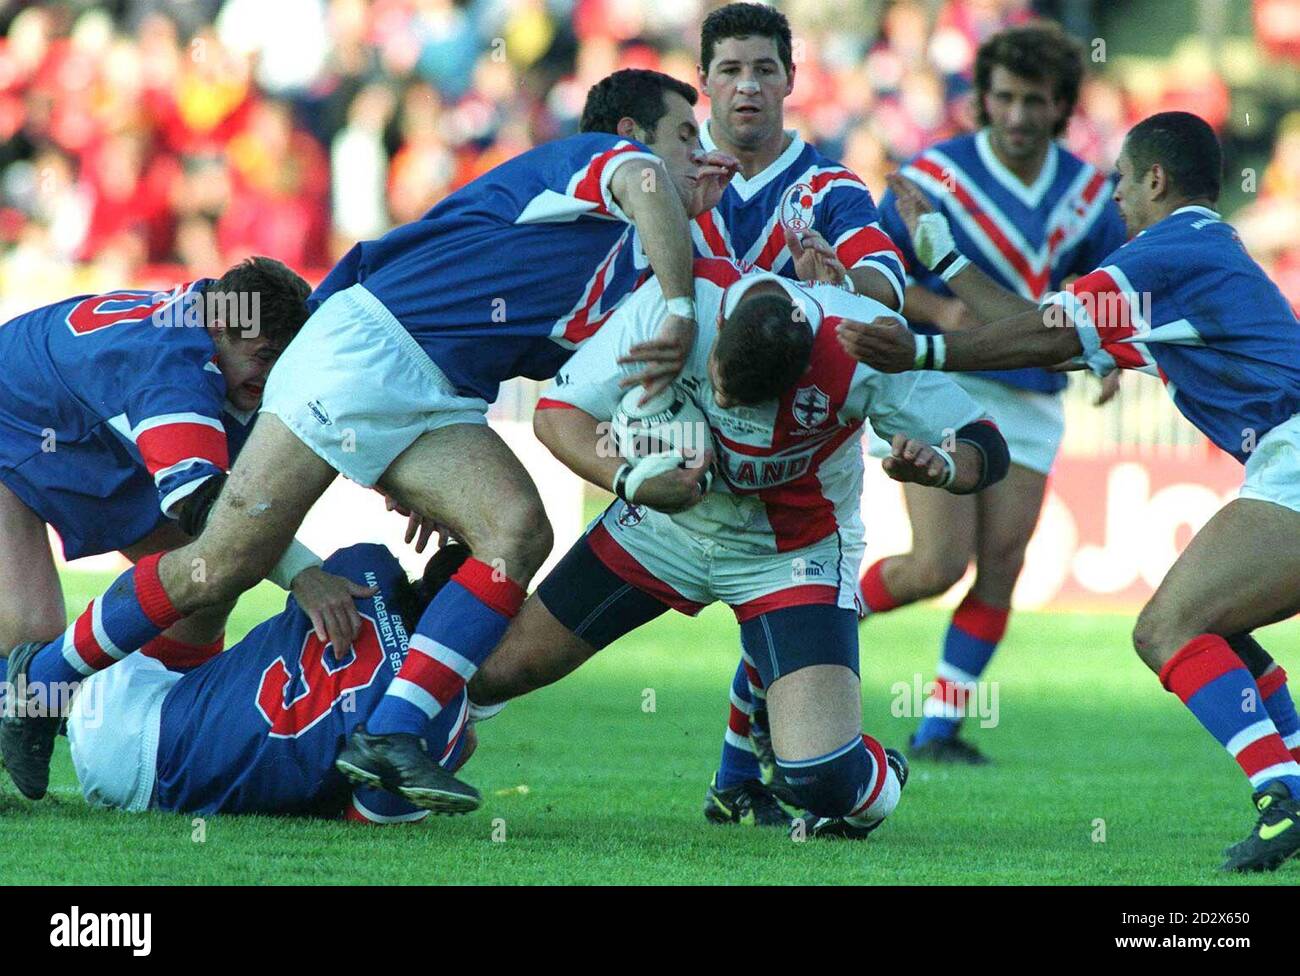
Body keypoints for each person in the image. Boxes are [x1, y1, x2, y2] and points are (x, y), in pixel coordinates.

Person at [2, 69, 737, 811]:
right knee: (215, 564)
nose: (700, 151)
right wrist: (679, 308)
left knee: (516, 530)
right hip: (372, 347)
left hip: (434, 393)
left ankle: (392, 733)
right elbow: (647, 186)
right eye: (685, 134)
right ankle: (46, 681)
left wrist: (415, 474)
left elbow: (563, 384)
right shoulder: (596, 164)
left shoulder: (631, 263)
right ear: (630, 136)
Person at [838, 111, 1300, 871]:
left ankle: (1282, 792)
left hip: (1292, 456)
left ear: (1155, 180)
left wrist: (922, 349)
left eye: (1122, 180)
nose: (1115, 196)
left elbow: (1047, 335)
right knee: (1221, 628)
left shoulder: (1167, 253)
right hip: (1283, 458)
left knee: (1165, 629)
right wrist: (945, 256)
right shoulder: (1194, 259)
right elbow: (1044, 333)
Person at [435, 256, 1009, 838]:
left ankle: (874, 765)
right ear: (716, 334)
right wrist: (631, 481)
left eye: (747, 401)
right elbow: (560, 415)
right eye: (718, 385)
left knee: (823, 780)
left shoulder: (860, 344)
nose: (726, 406)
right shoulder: (678, 305)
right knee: (494, 672)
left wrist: (942, 468)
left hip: (789, 557)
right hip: (659, 529)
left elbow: (984, 443)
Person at [0, 257, 372, 799]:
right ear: (219, 327)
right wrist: (304, 574)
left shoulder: (216, 323)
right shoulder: (171, 365)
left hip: (64, 438)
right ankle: (33, 695)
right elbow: (203, 506)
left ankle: (177, 722)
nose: (271, 376)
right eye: (263, 356)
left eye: (283, 359)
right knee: (30, 635)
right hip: (17, 431)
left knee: (208, 580)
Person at [860, 23, 1128, 764]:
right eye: (1004, 97)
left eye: (1034, 100)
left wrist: (1108, 357)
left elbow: (1110, 290)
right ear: (981, 98)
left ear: (1061, 105)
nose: (1017, 114)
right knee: (937, 566)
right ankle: (809, 635)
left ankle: (939, 730)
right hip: (939, 379)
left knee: (1002, 568)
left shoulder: (1088, 194)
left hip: (1032, 389)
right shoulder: (931, 176)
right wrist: (940, 311)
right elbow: (870, 269)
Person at [689, 1, 911, 825]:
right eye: (730, 70)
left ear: (790, 79)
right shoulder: (672, 178)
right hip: (695, 437)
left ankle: (748, 775)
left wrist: (843, 285)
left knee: (776, 599)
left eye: (763, 69)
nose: (747, 86)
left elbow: (886, 287)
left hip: (808, 451)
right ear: (704, 81)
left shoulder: (828, 188)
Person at [66, 543, 477, 823]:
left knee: (212, 554)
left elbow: (257, 536)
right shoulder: (436, 715)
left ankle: (51, 669)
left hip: (118, 690)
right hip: (150, 783)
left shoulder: (367, 563)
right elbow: (366, 822)